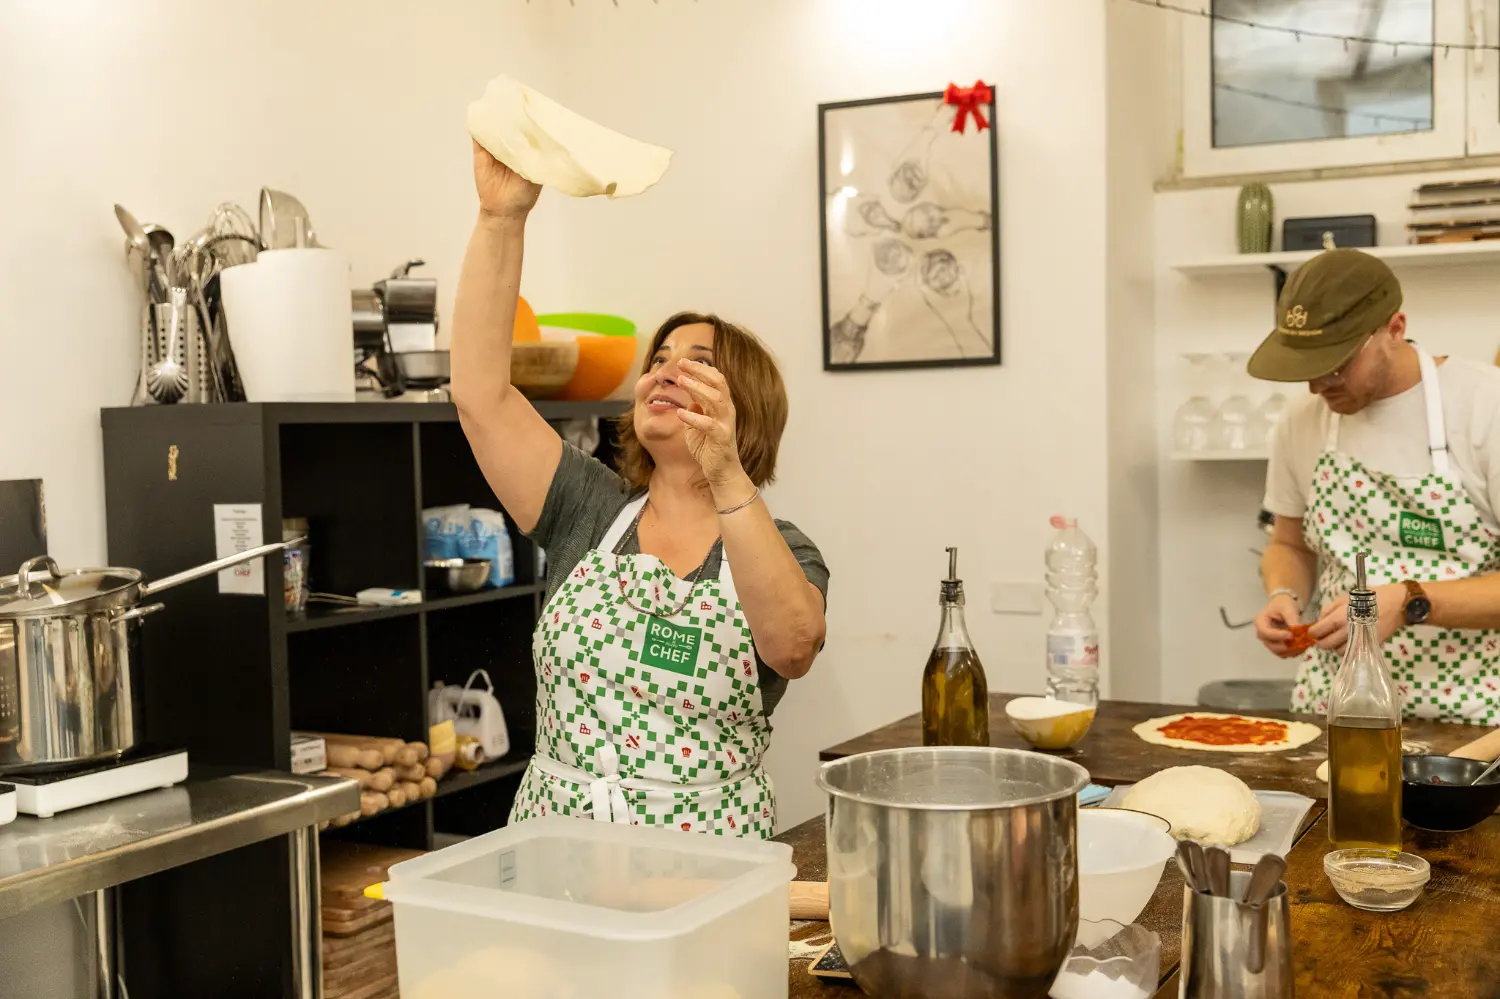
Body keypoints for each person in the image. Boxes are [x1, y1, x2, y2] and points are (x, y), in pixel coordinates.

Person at [449, 141, 829, 837]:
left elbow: (794, 645)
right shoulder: (586, 508)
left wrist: (725, 473)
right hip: (558, 857)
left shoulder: (782, 548)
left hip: (708, 880)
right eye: (659, 360)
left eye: (699, 363)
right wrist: (499, 217)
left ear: (745, 404)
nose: (665, 371)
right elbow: (479, 394)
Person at [1250, 249, 1500, 725]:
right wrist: (1284, 593)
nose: (1318, 386)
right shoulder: (1302, 421)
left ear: (1395, 328)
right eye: (1306, 367)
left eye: (1337, 364)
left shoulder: (1486, 405)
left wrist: (1409, 602)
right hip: (1336, 711)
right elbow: (1288, 543)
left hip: (1475, 721)